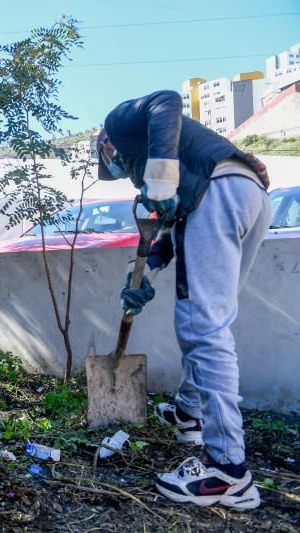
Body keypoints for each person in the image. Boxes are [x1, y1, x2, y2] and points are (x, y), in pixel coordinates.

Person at [96, 90, 270, 510]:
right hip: (248, 197)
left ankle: (227, 470)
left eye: (114, 164)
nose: (122, 171)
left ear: (107, 145)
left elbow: (167, 100)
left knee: (202, 328)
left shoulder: (119, 120)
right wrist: (146, 273)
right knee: (210, 321)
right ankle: (190, 413)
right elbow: (175, 230)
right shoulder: (181, 169)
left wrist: (158, 176)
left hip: (222, 193)